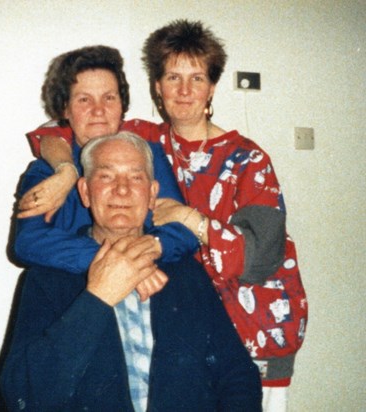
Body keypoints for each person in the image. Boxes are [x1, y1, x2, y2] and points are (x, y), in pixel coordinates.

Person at [19, 21, 308, 410]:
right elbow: (57, 134)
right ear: (157, 86)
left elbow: (238, 252)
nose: (185, 91)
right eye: (173, 77)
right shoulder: (146, 141)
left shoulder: (233, 159)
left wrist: (175, 231)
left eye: (197, 77)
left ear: (213, 86)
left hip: (253, 330)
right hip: (145, 310)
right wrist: (65, 171)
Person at [0, 132, 262, 411]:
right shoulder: (47, 279)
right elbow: (22, 395)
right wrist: (97, 298)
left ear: (152, 195)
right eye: (106, 176)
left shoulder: (186, 274)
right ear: (85, 193)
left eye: (136, 177)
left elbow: (238, 376)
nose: (122, 189)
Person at [13, 45, 199, 301]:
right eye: (84, 99)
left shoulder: (149, 157)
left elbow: (185, 231)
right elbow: (28, 242)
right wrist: (117, 264)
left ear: (122, 106)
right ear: (65, 110)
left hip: (149, 290)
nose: (98, 110)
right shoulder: (46, 171)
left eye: (109, 97)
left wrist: (151, 248)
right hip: (76, 295)